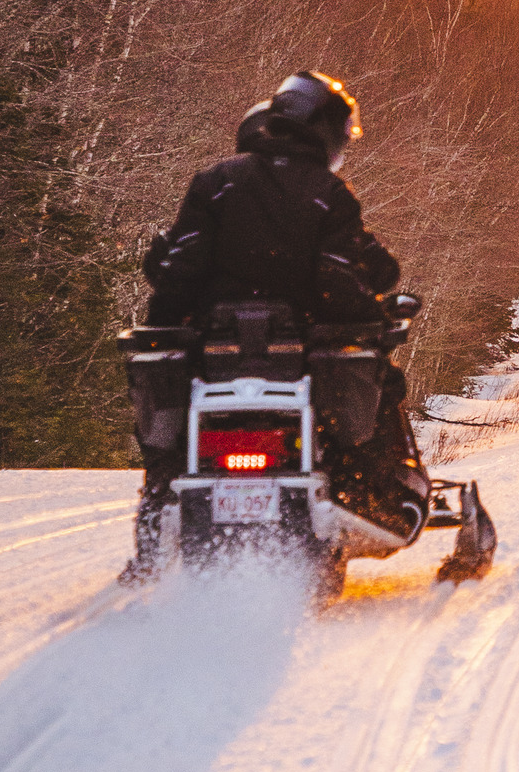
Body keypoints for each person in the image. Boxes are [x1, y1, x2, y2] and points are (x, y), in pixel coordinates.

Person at [120, 71, 407, 584]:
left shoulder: (217, 182)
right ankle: (372, 494)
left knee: (165, 415)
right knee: (379, 386)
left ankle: (156, 517)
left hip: (214, 353)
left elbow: (178, 268)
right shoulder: (327, 193)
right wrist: (369, 321)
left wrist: (164, 324)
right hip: (300, 354)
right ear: (322, 126)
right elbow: (339, 275)